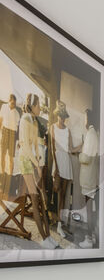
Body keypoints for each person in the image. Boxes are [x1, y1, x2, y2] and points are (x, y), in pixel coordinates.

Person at [15, 99, 48, 238]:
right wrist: (36, 166)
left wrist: (39, 161)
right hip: (25, 161)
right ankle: (44, 238)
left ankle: (48, 237)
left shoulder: (34, 120)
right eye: (38, 105)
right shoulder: (26, 118)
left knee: (41, 200)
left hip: (32, 161)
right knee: (35, 199)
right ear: (33, 106)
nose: (40, 108)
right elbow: (26, 147)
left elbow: (34, 145)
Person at [78, 108, 100, 247]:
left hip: (88, 179)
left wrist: (79, 153)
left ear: (89, 119)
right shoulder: (93, 133)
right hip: (92, 177)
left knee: (88, 210)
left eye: (85, 118)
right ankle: (92, 236)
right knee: (91, 209)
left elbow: (85, 158)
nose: (84, 121)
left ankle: (89, 239)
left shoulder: (91, 134)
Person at [51, 108, 74, 237]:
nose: (63, 119)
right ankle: (57, 223)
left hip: (66, 161)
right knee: (57, 193)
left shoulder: (68, 130)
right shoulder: (52, 127)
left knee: (63, 195)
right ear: (57, 115)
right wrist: (56, 168)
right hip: (58, 161)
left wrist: (82, 145)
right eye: (61, 116)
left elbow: (70, 149)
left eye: (64, 116)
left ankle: (60, 224)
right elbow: (53, 148)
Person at [1, 94, 18, 178]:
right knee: (3, 154)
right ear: (9, 101)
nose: (13, 105)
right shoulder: (4, 107)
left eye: (15, 103)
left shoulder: (17, 113)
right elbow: (0, 120)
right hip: (5, 131)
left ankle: (10, 176)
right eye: (12, 103)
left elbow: (17, 128)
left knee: (11, 157)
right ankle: (3, 173)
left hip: (13, 133)